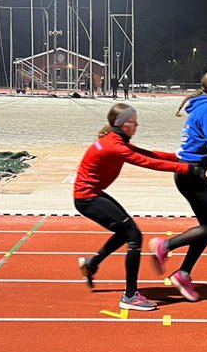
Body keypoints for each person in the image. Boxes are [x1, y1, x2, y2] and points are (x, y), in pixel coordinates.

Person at [74, 103, 200, 311]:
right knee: (134, 235)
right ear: (122, 124)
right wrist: (186, 168)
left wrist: (178, 157)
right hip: (88, 198)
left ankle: (92, 264)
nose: (137, 125)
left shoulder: (116, 140)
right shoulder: (115, 145)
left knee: (125, 232)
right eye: (133, 121)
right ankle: (130, 296)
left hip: (91, 195)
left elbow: (148, 153)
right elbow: (145, 162)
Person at [148, 69, 207, 302]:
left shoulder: (200, 106)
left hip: (188, 171)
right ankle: (165, 246)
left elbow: (204, 142)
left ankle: (183, 273)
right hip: (191, 173)